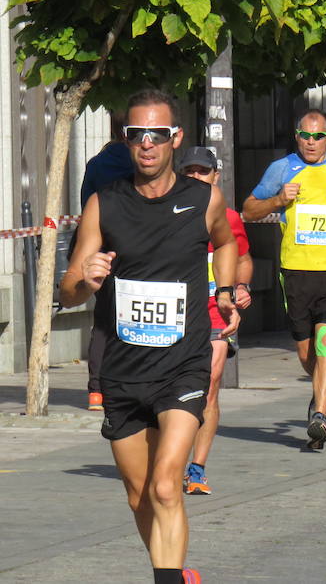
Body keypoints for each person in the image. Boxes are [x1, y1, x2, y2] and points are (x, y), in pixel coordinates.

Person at [59, 89, 239, 584]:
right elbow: (69, 290)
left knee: (165, 488)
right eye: (136, 134)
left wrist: (226, 289)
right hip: (122, 368)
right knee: (140, 495)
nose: (146, 144)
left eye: (156, 135)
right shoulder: (104, 204)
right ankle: (172, 571)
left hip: (182, 364)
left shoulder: (203, 198)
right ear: (126, 139)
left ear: (174, 138)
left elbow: (225, 242)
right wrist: (84, 277)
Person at [242, 109, 326, 450]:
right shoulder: (282, 169)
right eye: (305, 135)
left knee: (325, 342)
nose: (311, 142)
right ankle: (322, 388)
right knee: (306, 353)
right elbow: (249, 210)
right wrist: (277, 200)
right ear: (297, 136)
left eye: (318, 136)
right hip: (296, 272)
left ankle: (320, 415)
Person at [178, 147, 253, 494]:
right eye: (189, 172)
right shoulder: (167, 214)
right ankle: (172, 458)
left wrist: (240, 286)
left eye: (202, 172)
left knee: (210, 385)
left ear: (215, 177)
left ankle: (196, 468)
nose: (196, 178)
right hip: (173, 315)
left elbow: (243, 259)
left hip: (214, 311)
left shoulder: (228, 217)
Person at [79, 124, 136, 411]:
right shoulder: (140, 163)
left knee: (103, 320)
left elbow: (85, 204)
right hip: (136, 249)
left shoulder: (96, 164)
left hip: (102, 250)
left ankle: (96, 392)